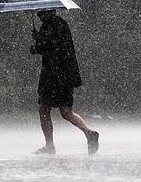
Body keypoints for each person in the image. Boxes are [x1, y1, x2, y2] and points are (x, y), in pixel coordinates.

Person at [30, 9, 99, 155]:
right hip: (66, 74)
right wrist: (39, 38)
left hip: (52, 75)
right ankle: (89, 133)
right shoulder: (62, 24)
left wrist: (36, 46)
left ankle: (49, 145)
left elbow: (48, 47)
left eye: (40, 13)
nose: (38, 15)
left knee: (44, 109)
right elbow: (57, 45)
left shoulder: (49, 26)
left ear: (47, 13)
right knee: (66, 111)